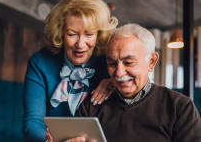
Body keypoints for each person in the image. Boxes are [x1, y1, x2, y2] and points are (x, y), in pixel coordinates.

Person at [46, 24, 201, 142]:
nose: (118, 73)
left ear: (151, 62)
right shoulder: (91, 107)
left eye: (128, 62)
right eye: (112, 64)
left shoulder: (180, 107)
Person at [22, 0, 118, 142]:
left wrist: (116, 83)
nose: (80, 44)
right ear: (60, 33)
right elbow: (33, 122)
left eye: (89, 34)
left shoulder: (109, 63)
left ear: (99, 35)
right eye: (72, 34)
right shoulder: (40, 63)